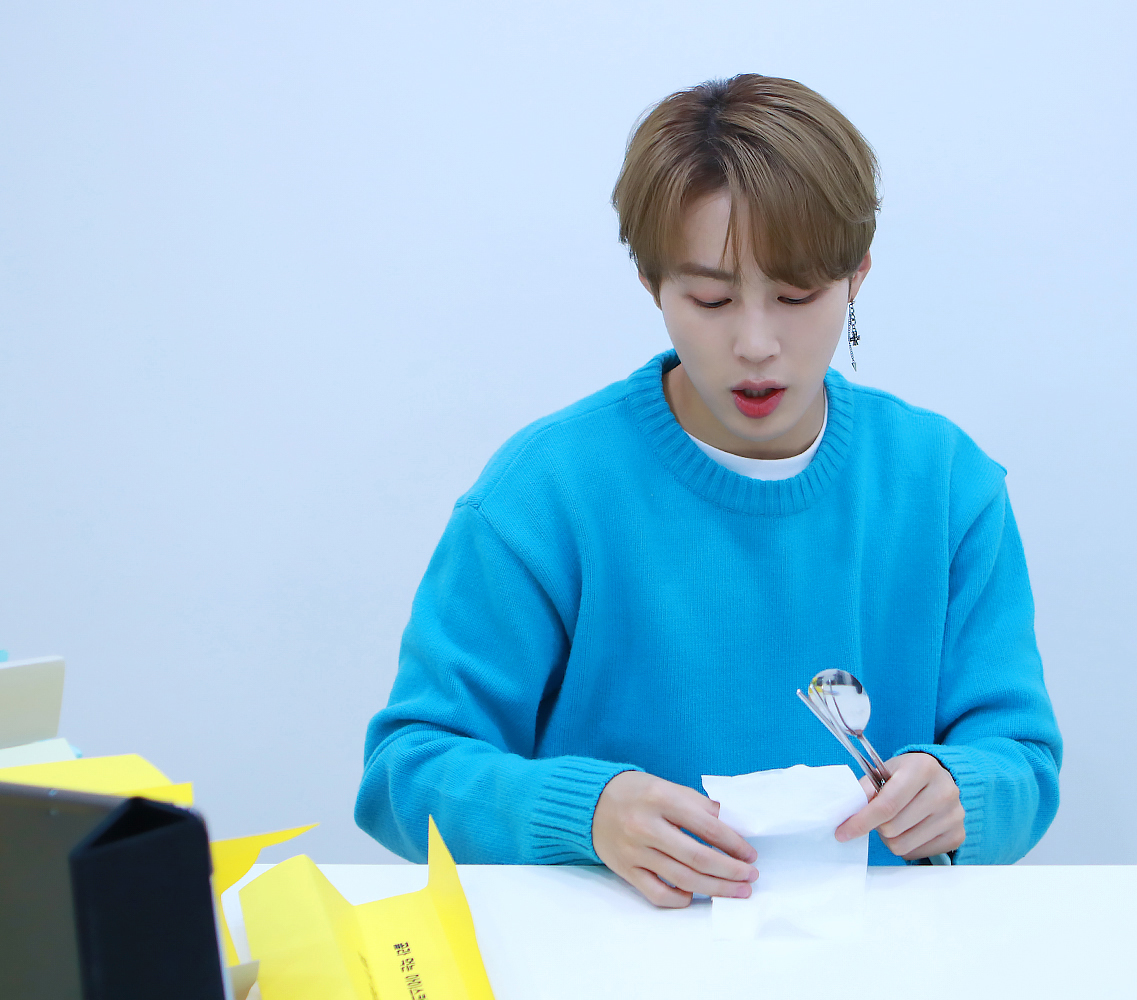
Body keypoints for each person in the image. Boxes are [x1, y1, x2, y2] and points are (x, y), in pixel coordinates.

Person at [356, 74, 1062, 908]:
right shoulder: (545, 494)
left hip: (876, 954)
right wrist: (586, 814)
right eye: (711, 298)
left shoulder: (945, 487)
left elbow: (1022, 759)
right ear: (652, 282)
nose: (756, 343)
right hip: (613, 950)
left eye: (797, 295)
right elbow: (405, 772)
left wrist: (962, 791)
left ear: (857, 276)